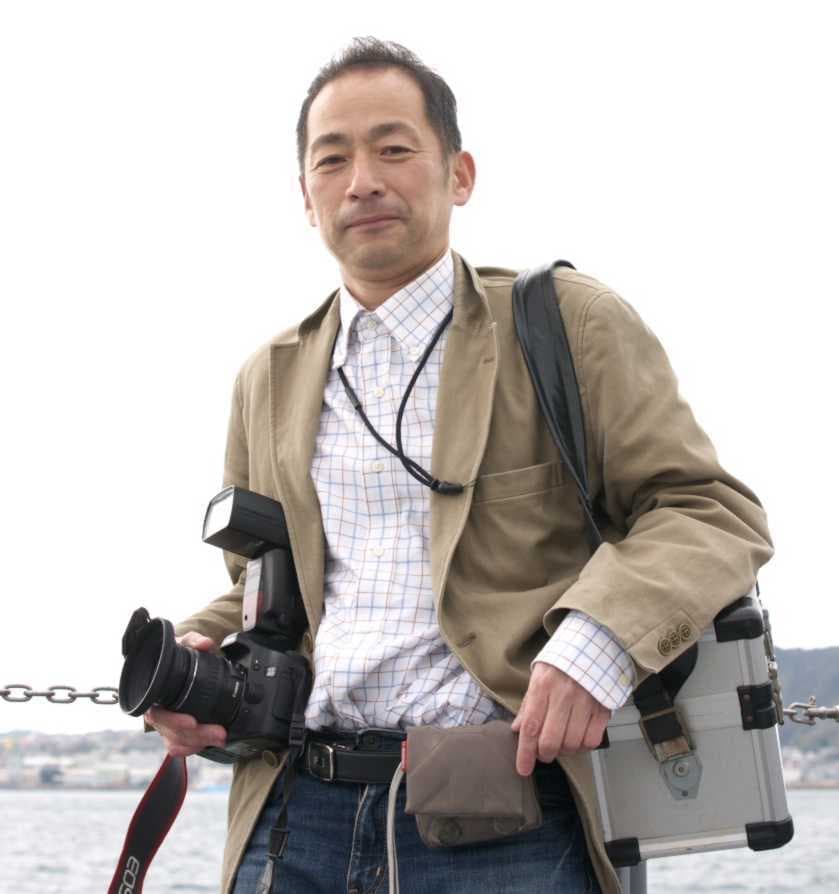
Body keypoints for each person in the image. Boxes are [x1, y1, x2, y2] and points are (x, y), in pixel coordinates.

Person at [146, 38, 773, 894]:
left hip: (514, 814)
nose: (362, 180)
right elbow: (268, 590)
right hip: (294, 813)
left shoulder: (565, 323)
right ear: (305, 196)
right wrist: (199, 657)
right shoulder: (269, 376)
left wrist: (593, 647)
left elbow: (707, 511)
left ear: (459, 174)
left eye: (393, 148)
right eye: (332, 159)